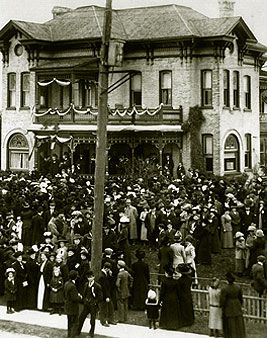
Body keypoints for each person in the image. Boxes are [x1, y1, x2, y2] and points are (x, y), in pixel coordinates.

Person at [76, 270, 103, 338]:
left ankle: (91, 333)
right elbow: (84, 294)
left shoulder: (97, 286)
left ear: (93, 277)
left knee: (92, 320)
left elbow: (100, 297)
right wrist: (84, 299)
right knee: (81, 318)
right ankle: (78, 331)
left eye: (91, 277)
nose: (89, 278)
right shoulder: (86, 284)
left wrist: (95, 302)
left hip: (93, 305)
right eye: (88, 277)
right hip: (86, 304)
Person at [220, 271, 246, 338]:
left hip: (229, 307)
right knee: (238, 324)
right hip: (237, 306)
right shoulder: (238, 287)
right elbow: (240, 298)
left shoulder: (224, 289)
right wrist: (239, 305)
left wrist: (223, 307)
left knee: (230, 325)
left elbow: (222, 301)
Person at [159, 265, 182, 330]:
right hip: (174, 298)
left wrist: (160, 300)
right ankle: (174, 324)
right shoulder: (176, 282)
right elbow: (178, 292)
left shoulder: (164, 282)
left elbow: (162, 292)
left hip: (167, 298)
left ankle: (165, 324)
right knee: (174, 312)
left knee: (166, 312)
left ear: (167, 274)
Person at [64, 270, 82, 338]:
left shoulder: (66, 283)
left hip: (67, 305)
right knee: (74, 323)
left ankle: (69, 335)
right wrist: (79, 297)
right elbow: (74, 298)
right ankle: (72, 336)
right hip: (73, 307)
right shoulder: (72, 286)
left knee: (69, 323)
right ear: (75, 277)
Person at [98, 262, 117, 326]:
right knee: (103, 308)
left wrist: (111, 276)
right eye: (108, 269)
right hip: (103, 295)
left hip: (107, 294)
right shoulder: (101, 276)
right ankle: (103, 321)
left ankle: (110, 320)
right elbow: (103, 288)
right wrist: (107, 296)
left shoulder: (106, 274)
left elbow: (110, 284)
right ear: (106, 268)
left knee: (110, 307)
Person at [177, 263, 194, 327]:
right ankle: (190, 320)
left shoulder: (180, 280)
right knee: (188, 307)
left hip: (182, 294)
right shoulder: (189, 279)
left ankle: (184, 321)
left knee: (183, 308)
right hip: (188, 293)